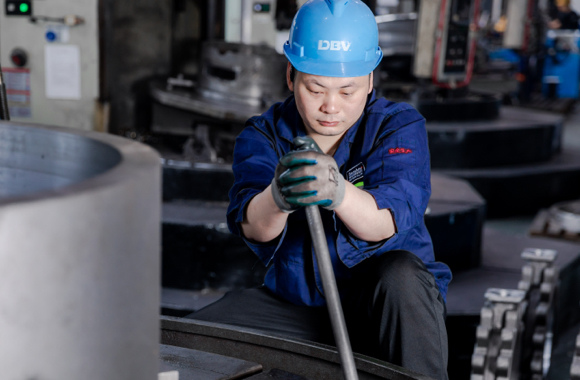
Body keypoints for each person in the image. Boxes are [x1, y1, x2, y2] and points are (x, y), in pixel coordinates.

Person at [186, 0, 452, 378]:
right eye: (315, 88)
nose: (331, 107)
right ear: (291, 76)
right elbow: (254, 225)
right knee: (188, 347)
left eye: (348, 91)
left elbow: (384, 222)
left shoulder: (397, 126)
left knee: (402, 277)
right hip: (301, 306)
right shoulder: (264, 133)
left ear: (371, 80)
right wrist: (278, 196)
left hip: (388, 309)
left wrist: (338, 192)